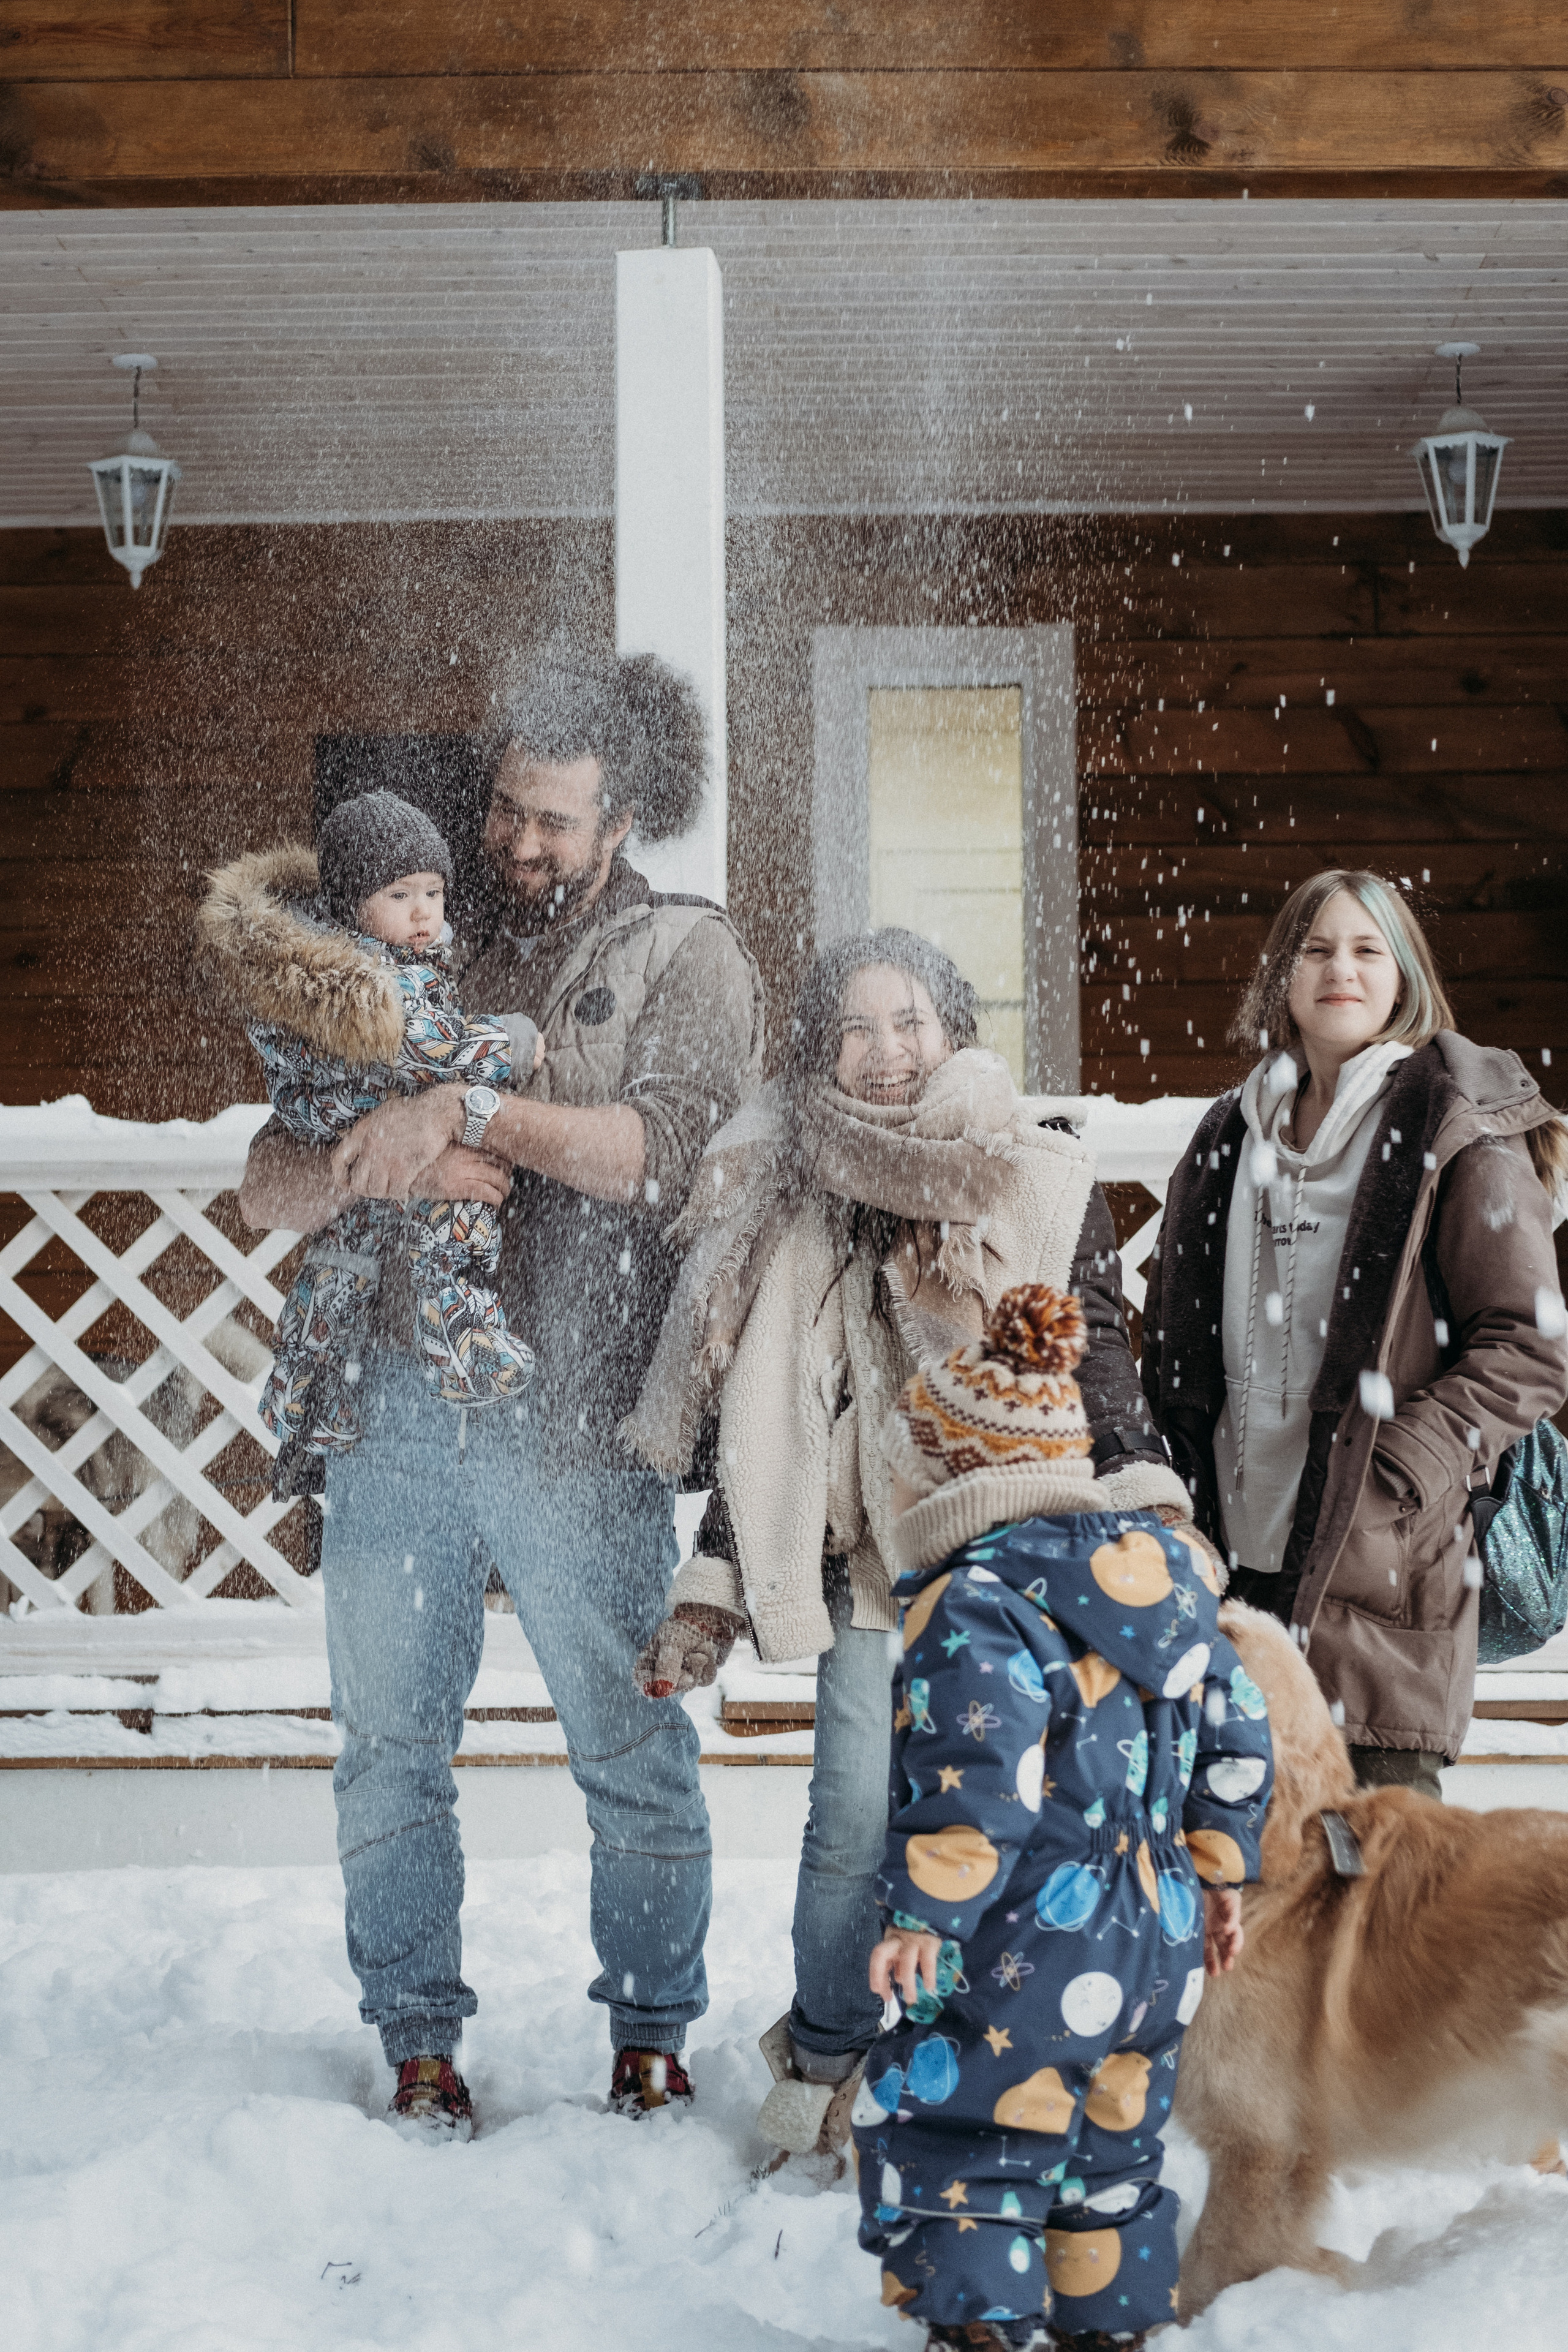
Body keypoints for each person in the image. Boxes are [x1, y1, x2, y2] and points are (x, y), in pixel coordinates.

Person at [236, 654, 764, 2132]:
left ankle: (651, 2032)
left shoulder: (685, 954)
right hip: (392, 1404)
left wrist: (464, 1112)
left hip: (578, 1411)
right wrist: (365, 1157)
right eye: (508, 810)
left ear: (626, 814)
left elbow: (661, 1153)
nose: (518, 842)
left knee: (626, 1739)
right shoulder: (408, 935)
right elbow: (265, 1173)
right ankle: (416, 2036)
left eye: (554, 819)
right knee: (390, 1745)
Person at [624, 930, 1197, 2160]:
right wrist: (710, 1592)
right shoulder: (790, 1192)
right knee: (849, 1820)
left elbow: (1087, 1345)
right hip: (863, 1566)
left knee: (996, 1820)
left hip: (1008, 1562)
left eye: (908, 1023)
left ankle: (977, 2051)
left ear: (952, 1032)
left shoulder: (1035, 1179)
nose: (883, 1053)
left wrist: (1145, 1499)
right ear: (820, 1049)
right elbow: (766, 1417)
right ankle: (830, 2051)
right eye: (854, 1027)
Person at [851, 1282, 1273, 2352]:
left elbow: (975, 1777)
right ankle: (1111, 2327)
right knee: (1111, 2141)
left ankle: (981, 2330)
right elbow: (1239, 1733)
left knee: (976, 2130)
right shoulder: (1174, 1591)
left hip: (1027, 1935)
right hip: (1159, 1938)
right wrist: (1219, 1878)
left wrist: (925, 1916)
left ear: (961, 1468)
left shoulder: (980, 1596)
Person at [1142, 869, 1568, 1800]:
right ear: (1282, 977)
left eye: (1368, 949)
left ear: (1405, 973)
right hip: (1234, 1572)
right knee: (1242, 1892)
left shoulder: (1456, 1131)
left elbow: (1528, 1346)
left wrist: (1401, 1470)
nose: (1343, 969)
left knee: (1375, 1896)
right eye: (1318, 947)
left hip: (1383, 1573)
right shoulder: (1227, 1137)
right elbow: (1173, 1335)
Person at [200, 791, 541, 1498]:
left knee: (338, 1276)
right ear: (355, 903)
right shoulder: (372, 978)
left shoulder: (307, 960)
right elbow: (434, 1047)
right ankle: (465, 1349)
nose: (423, 912)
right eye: (399, 894)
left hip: (334, 1128)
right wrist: (512, 1042)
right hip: (363, 1119)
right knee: (458, 1215)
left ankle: (307, 1418)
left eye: (433, 892)